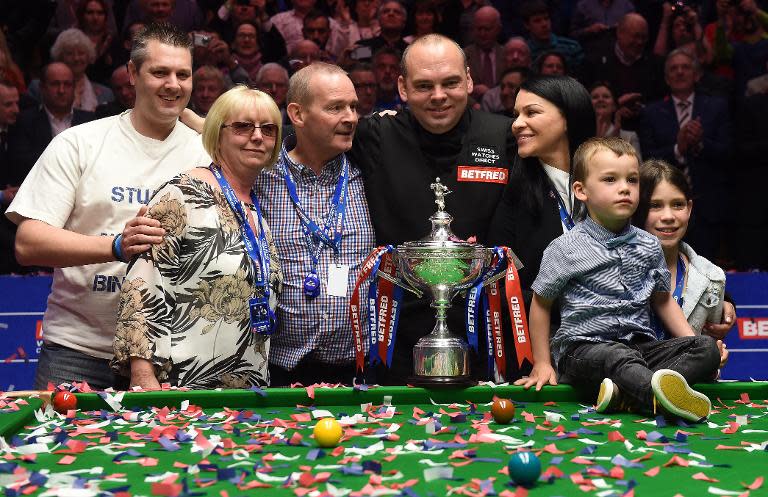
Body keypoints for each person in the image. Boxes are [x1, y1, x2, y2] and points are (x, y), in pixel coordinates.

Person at [5, 22, 210, 390]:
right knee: (59, 448)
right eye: (160, 72)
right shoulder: (80, 143)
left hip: (175, 353)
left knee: (169, 450)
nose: (173, 84)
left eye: (183, 74)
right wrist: (116, 246)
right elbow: (27, 242)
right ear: (132, 73)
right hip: (78, 350)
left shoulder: (208, 153)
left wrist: (209, 128)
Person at [517, 136, 722, 423]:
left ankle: (627, 396)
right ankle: (654, 396)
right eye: (610, 180)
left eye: (633, 180)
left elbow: (663, 301)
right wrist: (541, 363)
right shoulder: (564, 247)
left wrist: (692, 348)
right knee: (616, 357)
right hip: (584, 352)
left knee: (705, 347)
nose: (625, 188)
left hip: (639, 349)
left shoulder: (650, 245)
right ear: (581, 190)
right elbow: (541, 305)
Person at [350, 34, 516, 384]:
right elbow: (291, 135)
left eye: (451, 83)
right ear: (402, 87)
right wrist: (206, 126)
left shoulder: (505, 136)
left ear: (469, 80)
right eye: (424, 85)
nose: (438, 96)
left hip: (490, 340)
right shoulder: (376, 135)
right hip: (394, 342)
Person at [112, 86, 283, 389]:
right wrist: (143, 377)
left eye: (268, 129)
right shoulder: (180, 195)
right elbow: (143, 287)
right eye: (243, 126)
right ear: (218, 134)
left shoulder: (256, 210)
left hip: (247, 394)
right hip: (180, 391)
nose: (257, 136)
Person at [254, 63, 375, 386]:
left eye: (353, 107)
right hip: (277, 370)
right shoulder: (260, 176)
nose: (350, 118)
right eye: (335, 107)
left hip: (358, 369)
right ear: (298, 114)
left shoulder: (371, 171)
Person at [638, 48, 730, 261]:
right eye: (674, 68)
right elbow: (648, 160)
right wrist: (678, 148)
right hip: (664, 211)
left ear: (696, 74)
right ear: (666, 78)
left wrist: (699, 144)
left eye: (685, 67)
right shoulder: (651, 113)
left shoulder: (717, 106)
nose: (679, 72)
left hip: (709, 207)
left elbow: (729, 152)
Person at [633, 159, 733, 340]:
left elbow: (710, 351)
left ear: (690, 208)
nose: (668, 216)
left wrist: (714, 358)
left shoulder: (712, 278)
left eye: (678, 204)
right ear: (636, 208)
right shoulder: (612, 267)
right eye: (655, 205)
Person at [6, 63, 96, 187]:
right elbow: (21, 164)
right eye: (55, 84)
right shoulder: (24, 122)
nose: (61, 90)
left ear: (74, 88)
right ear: (42, 88)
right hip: (40, 191)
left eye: (67, 84)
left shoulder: (90, 121)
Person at [590, 81, 641, 159]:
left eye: (606, 96)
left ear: (614, 106)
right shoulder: (580, 136)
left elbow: (637, 169)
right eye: (595, 97)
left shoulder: (629, 137)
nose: (600, 100)